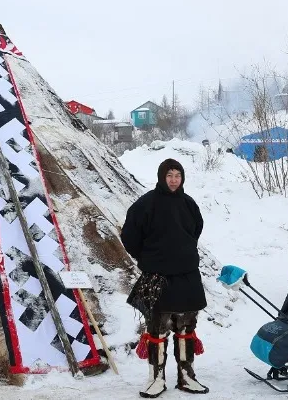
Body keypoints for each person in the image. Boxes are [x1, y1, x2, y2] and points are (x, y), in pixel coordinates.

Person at [121, 158, 208, 397]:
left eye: (177, 175)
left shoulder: (189, 204)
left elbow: (196, 229)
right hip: (158, 276)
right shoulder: (146, 204)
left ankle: (187, 377)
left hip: (188, 275)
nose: (173, 180)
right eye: (169, 175)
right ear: (161, 177)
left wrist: (184, 250)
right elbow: (129, 236)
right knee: (158, 330)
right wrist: (147, 258)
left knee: (186, 327)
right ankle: (156, 379)